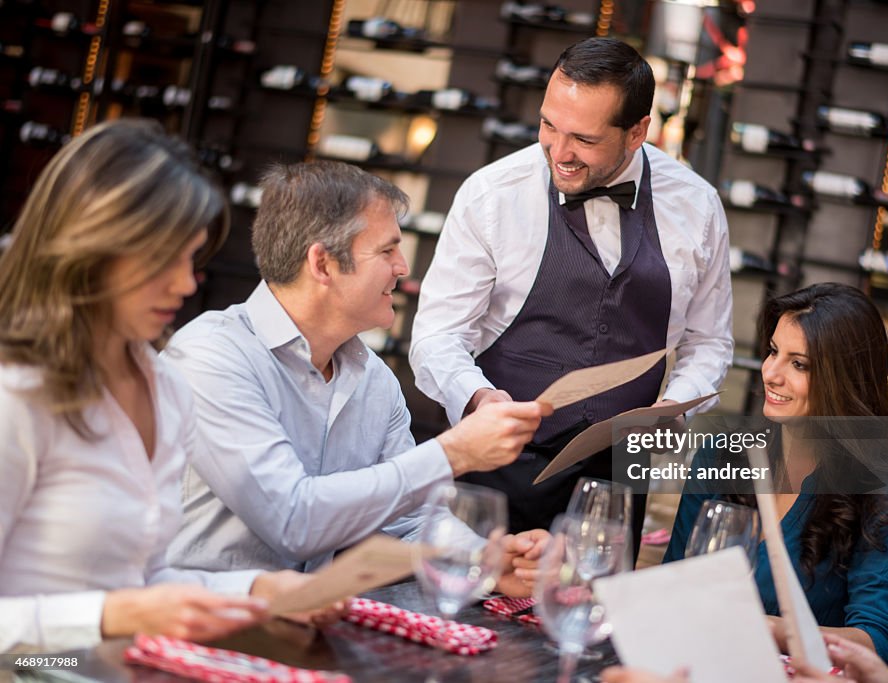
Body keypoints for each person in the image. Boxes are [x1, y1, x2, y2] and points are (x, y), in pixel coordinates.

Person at [0, 120, 333, 654]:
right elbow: (122, 609)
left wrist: (257, 588)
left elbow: (146, 580)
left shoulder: (166, 388)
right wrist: (114, 614)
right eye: (162, 259)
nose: (184, 284)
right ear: (89, 249)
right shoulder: (15, 395)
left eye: (190, 258)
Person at [165, 160, 550, 593]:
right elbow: (292, 519)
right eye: (387, 251)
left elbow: (410, 519)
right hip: (187, 630)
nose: (402, 267)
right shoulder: (212, 356)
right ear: (323, 264)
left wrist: (483, 561)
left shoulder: (375, 381)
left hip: (303, 625)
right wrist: (452, 454)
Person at [409, 36, 733, 541]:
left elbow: (709, 341)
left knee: (589, 616)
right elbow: (435, 334)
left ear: (637, 132)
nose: (559, 153)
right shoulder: (492, 195)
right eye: (548, 125)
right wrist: (477, 398)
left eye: (583, 139)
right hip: (496, 468)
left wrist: (674, 406)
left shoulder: (697, 206)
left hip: (617, 482)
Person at [663, 283, 888, 669]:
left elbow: (878, 638)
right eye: (773, 352)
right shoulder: (722, 452)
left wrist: (774, 629)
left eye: (798, 364)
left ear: (844, 381)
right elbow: (673, 585)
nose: (771, 373)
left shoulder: (886, 488)